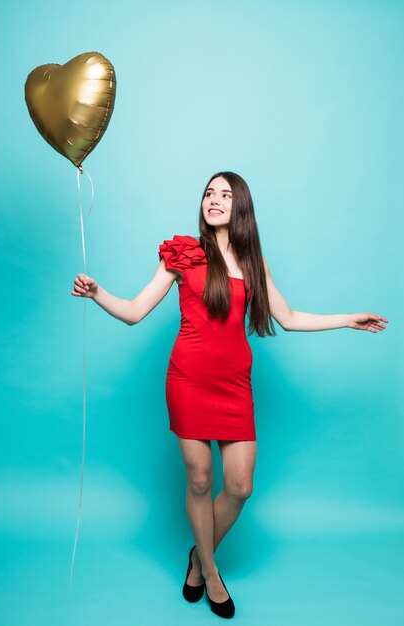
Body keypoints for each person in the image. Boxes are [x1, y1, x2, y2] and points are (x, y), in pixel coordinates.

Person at [71, 171, 388, 619]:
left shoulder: (252, 260)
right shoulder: (182, 253)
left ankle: (197, 557)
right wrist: (98, 293)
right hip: (187, 380)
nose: (214, 200)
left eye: (225, 195)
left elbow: (290, 317)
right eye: (209, 193)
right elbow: (135, 313)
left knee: (239, 487)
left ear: (240, 207)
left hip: (235, 386)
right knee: (199, 480)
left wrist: (347, 319)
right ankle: (210, 572)